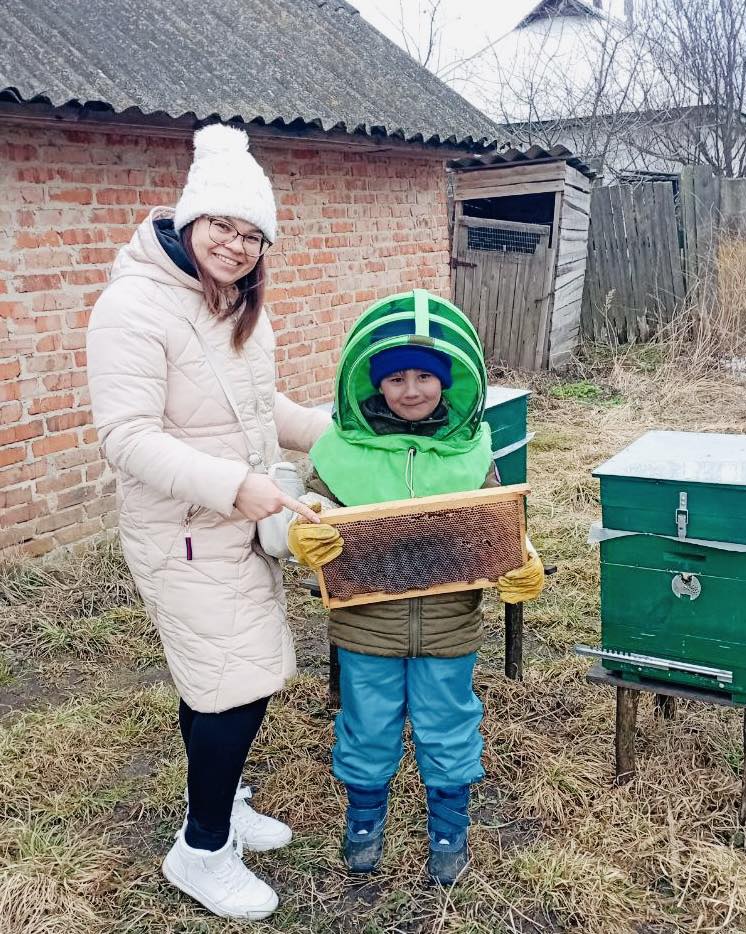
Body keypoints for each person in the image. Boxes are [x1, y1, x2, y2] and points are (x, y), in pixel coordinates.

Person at [87, 123, 330, 921]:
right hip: (185, 533)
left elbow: (261, 409)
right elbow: (126, 438)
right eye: (223, 225)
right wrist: (235, 486)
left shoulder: (228, 304)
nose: (236, 244)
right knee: (233, 687)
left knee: (219, 678)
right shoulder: (133, 306)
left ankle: (219, 804)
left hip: (232, 527)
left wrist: (341, 436)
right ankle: (201, 849)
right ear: (190, 220)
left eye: (253, 235)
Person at [287, 290, 544, 886]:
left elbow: (498, 519)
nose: (410, 390)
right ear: (373, 383)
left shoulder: (470, 450)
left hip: (450, 626)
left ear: (446, 382)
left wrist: (522, 557)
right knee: (366, 723)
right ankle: (363, 822)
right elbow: (312, 506)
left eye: (424, 377)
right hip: (366, 628)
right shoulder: (341, 451)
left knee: (448, 722)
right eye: (396, 378)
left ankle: (449, 829)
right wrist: (303, 529)